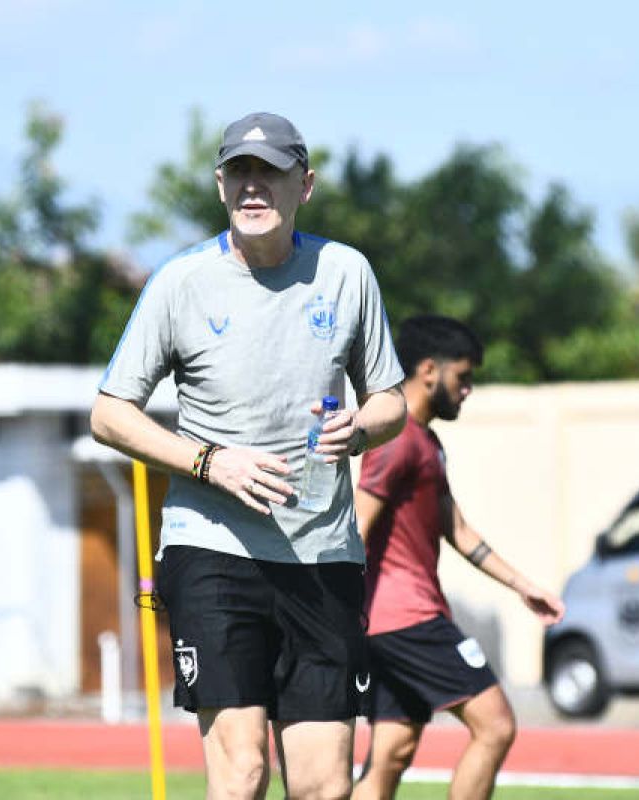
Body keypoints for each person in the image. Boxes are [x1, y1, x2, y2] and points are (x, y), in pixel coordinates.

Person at [90, 111, 406, 800]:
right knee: (242, 772)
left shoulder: (346, 273)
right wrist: (209, 462)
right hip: (213, 552)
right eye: (240, 172)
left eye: (270, 173)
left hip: (322, 557)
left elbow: (392, 401)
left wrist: (359, 428)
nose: (253, 187)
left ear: (306, 185)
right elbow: (109, 414)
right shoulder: (180, 283)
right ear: (220, 184)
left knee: (324, 787)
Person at [352, 315, 565, 800]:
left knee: (392, 752)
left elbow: (459, 532)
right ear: (429, 370)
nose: (467, 390)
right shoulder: (399, 437)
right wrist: (334, 616)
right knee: (496, 726)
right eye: (463, 377)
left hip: (391, 623)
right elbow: (358, 527)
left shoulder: (425, 442)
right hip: (408, 620)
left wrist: (523, 586)